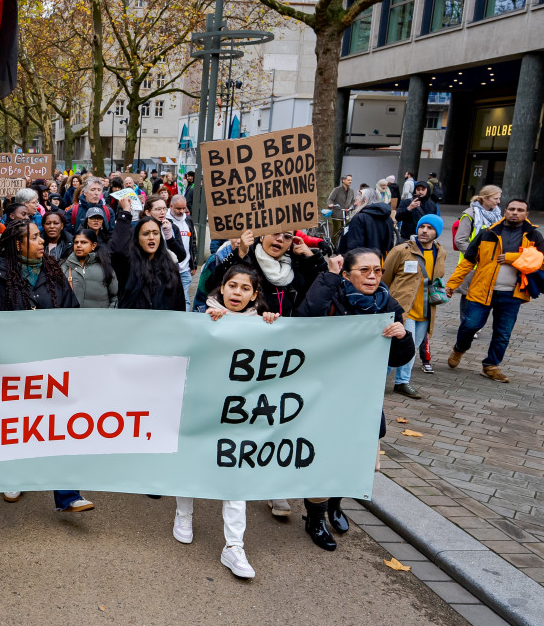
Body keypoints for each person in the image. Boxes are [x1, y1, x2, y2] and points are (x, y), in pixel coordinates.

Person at [0, 217, 93, 512]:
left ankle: (68, 495)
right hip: (9, 369)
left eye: (41, 237)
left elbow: (72, 312)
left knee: (56, 426)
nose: (42, 241)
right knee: (16, 425)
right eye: (34, 237)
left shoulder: (52, 272)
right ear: (17, 245)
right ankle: (13, 476)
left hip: (48, 367)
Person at [298, 249, 411, 551]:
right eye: (364, 270)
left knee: (355, 459)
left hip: (362, 399)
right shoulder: (331, 295)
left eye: (377, 270)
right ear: (347, 274)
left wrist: (402, 336)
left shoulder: (387, 305)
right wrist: (330, 277)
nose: (373, 276)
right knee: (323, 459)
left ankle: (336, 503)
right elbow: (304, 319)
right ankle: (316, 518)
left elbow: (400, 357)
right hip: (324, 396)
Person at [179, 265, 280, 579]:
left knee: (236, 474)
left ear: (254, 294)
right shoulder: (201, 317)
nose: (237, 293)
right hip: (202, 407)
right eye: (232, 286)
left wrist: (274, 327)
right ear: (221, 289)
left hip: (239, 414)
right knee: (191, 461)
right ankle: (184, 514)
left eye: (245, 288)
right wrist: (203, 329)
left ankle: (233, 546)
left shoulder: (261, 324)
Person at [447, 198, 543, 382]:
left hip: (512, 294)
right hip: (481, 290)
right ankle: (459, 348)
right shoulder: (487, 233)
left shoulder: (533, 236)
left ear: (526, 214)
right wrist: (452, 284)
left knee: (503, 333)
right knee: (470, 325)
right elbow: (467, 261)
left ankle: (491, 365)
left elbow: (542, 261)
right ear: (505, 211)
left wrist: (513, 258)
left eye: (520, 210)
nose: (515, 212)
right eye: (512, 209)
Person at [383, 214, 446, 398]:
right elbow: (385, 279)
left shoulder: (440, 252)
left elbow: (437, 276)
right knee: (400, 346)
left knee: (410, 350)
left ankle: (402, 383)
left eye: (430, 228)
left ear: (437, 232)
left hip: (426, 310)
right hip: (404, 309)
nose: (424, 231)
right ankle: (377, 378)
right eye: (422, 226)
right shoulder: (401, 250)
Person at [110, 197, 187, 311]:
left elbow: (179, 303)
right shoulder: (128, 265)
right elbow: (118, 250)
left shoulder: (170, 266)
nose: (151, 237)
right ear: (137, 238)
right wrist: (125, 212)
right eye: (146, 234)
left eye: (155, 233)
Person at [61, 227, 117, 308]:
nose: (78, 245)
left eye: (83, 242)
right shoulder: (64, 266)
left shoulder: (105, 267)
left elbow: (114, 297)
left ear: (93, 245)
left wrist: (108, 316)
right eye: (76, 242)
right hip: (72, 318)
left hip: (100, 318)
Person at [166, 195, 197, 310]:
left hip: (185, 270)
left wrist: (193, 263)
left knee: (185, 299)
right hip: (169, 269)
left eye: (184, 208)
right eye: (178, 208)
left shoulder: (188, 220)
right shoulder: (165, 220)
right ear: (171, 206)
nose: (182, 211)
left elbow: (192, 242)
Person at [454, 185, 502, 255]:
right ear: (485, 198)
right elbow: (460, 240)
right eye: (495, 199)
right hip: (473, 262)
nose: (498, 201)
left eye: (499, 198)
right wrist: (476, 254)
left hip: (491, 261)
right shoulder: (470, 214)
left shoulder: (498, 215)